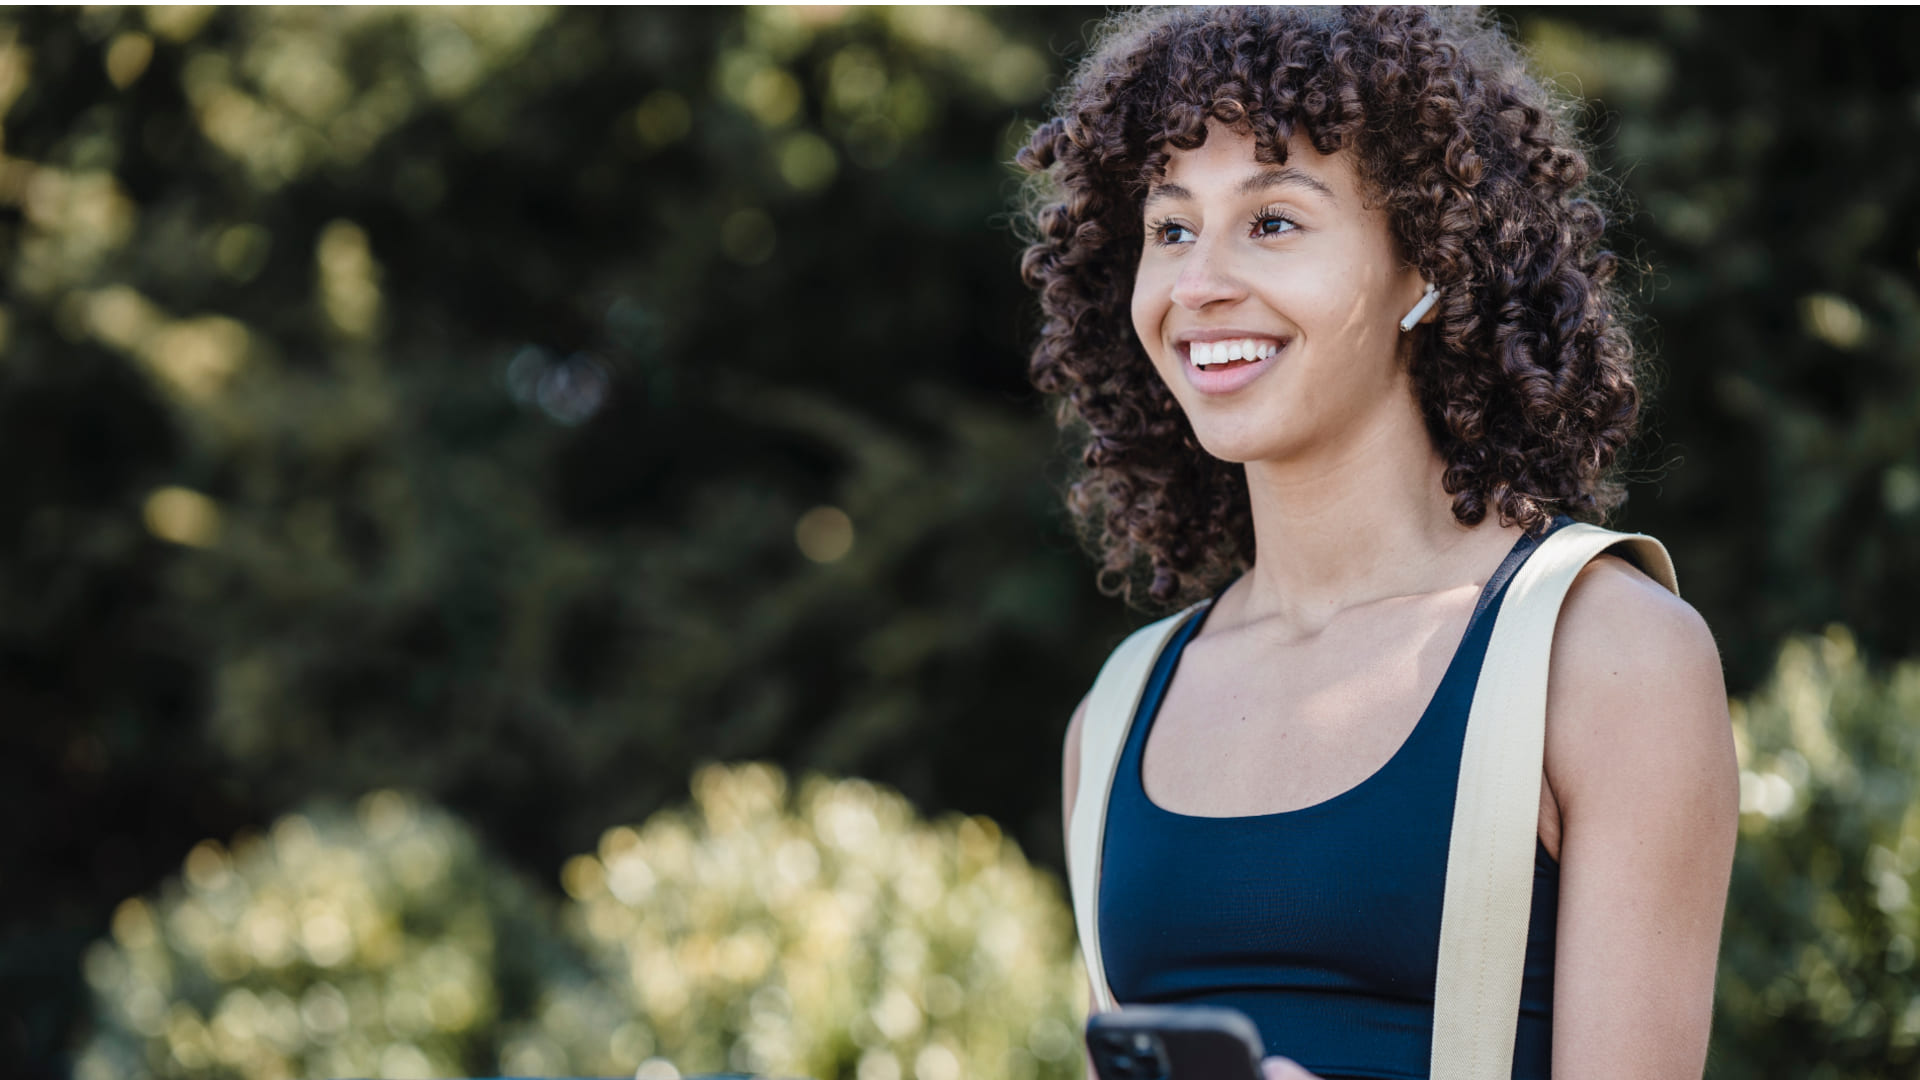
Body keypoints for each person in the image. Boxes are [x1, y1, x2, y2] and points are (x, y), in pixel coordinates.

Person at [1012, 7, 1740, 1080]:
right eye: (1171, 228)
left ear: (1425, 264)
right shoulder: (1115, 718)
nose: (1198, 284)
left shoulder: (1610, 662)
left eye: (1271, 222)